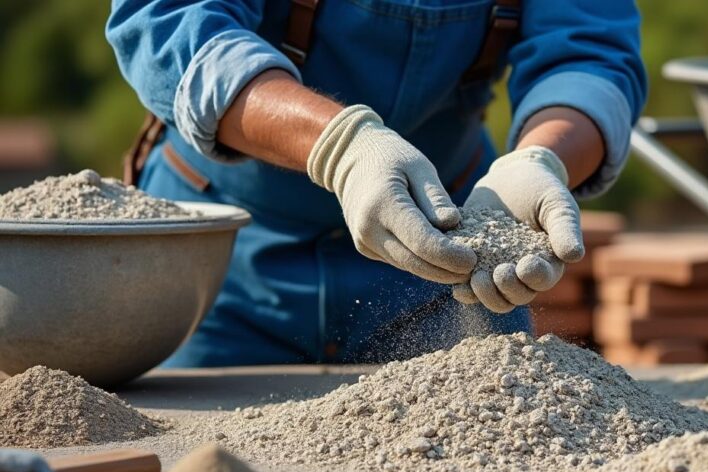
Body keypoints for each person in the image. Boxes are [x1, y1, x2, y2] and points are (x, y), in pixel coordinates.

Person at [106, 0, 646, 366]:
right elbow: (171, 26)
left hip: (449, 251)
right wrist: (341, 147)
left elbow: (588, 54)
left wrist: (539, 159)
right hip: (223, 264)